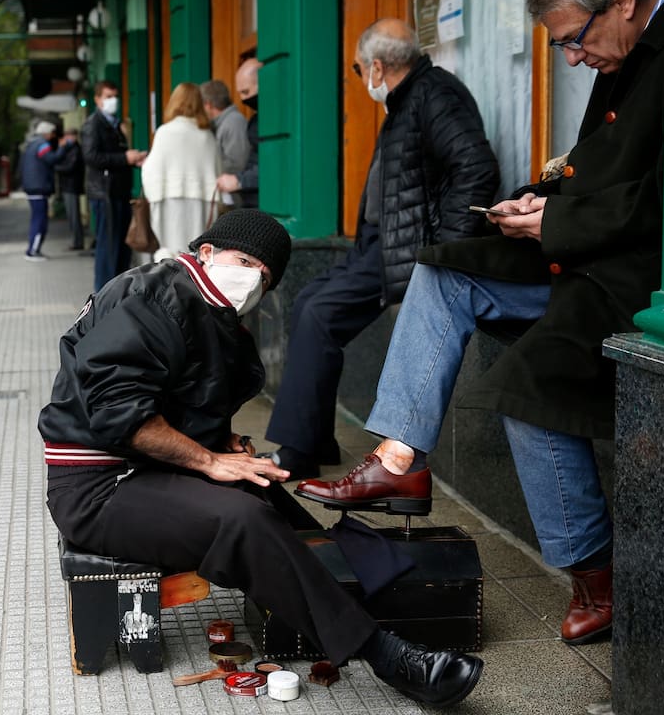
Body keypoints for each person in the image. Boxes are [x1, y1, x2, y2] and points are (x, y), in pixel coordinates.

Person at [297, 0, 664, 647]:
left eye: (572, 41)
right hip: (580, 249)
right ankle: (400, 461)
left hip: (628, 271)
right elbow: (596, 171)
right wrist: (535, 200)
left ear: (622, 2)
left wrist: (554, 218)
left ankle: (595, 573)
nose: (570, 59)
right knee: (443, 268)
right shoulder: (625, 48)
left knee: (527, 385)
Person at [39, 208, 483, 708]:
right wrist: (208, 461)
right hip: (100, 487)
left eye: (265, 276)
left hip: (140, 469)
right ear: (205, 252)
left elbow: (177, 396)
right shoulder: (150, 293)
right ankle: (389, 658)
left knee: (262, 488)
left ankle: (357, 593)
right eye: (244, 260)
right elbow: (122, 413)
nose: (252, 278)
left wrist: (222, 445)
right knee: (242, 518)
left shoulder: (204, 305)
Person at [263, 19, 500, 479]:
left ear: (375, 65)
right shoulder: (409, 98)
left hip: (405, 250)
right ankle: (312, 440)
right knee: (310, 301)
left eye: (358, 69)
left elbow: (475, 168)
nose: (361, 78)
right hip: (379, 244)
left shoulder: (434, 94)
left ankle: (297, 452)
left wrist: (445, 252)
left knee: (318, 313)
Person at [140, 82, 219, 260]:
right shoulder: (206, 136)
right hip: (200, 200)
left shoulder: (164, 132)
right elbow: (217, 170)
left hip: (168, 200)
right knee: (197, 253)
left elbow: (150, 171)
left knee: (170, 254)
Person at [82, 81, 146, 291]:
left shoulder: (113, 123)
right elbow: (91, 156)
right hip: (105, 193)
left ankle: (116, 293)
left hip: (117, 191)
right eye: (108, 96)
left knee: (120, 246)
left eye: (115, 96)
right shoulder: (94, 124)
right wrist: (124, 158)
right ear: (98, 99)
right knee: (108, 247)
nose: (113, 101)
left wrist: (132, 160)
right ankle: (103, 296)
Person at [214, 57, 261, 208]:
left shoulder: (274, 121)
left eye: (246, 92)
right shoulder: (256, 119)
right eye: (240, 93)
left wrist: (239, 180)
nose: (242, 98)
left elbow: (273, 165)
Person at [19, 121, 69, 262]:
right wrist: (62, 148)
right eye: (52, 133)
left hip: (32, 186)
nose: (53, 136)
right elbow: (52, 159)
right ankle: (32, 251)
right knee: (40, 220)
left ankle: (34, 250)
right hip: (38, 187)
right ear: (47, 133)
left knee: (37, 218)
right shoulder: (42, 145)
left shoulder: (30, 144)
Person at [200, 78, 250, 184]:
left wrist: (204, 167)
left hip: (236, 195)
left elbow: (238, 164)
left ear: (208, 105)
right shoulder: (221, 124)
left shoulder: (234, 122)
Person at [55, 128, 87, 250]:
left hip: (72, 186)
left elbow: (69, 167)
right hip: (69, 185)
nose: (66, 139)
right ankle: (76, 241)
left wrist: (56, 168)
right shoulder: (70, 149)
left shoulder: (75, 150)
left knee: (74, 216)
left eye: (68, 136)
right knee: (72, 216)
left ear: (73, 136)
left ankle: (78, 242)